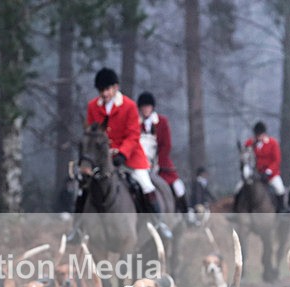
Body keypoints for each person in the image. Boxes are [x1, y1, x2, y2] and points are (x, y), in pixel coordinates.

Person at [67, 68, 166, 242]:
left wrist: (122, 153)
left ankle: (159, 223)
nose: (104, 93)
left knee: (145, 184)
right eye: (101, 90)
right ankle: (77, 229)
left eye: (107, 89)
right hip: (100, 159)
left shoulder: (128, 106)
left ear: (115, 88)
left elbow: (133, 134)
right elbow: (91, 133)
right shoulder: (92, 107)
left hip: (129, 157)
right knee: (83, 189)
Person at [137, 91, 194, 222]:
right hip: (138, 162)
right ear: (140, 108)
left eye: (148, 107)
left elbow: (166, 145)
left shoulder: (161, 122)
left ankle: (187, 214)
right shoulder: (135, 122)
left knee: (178, 186)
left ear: (152, 108)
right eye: (143, 107)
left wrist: (157, 163)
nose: (146, 109)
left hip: (160, 163)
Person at [235, 121, 286, 212]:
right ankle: (235, 211)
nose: (258, 137)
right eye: (256, 135)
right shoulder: (249, 143)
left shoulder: (272, 143)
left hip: (270, 175)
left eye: (260, 135)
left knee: (280, 188)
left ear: (264, 134)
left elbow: (276, 160)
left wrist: (268, 172)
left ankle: (281, 212)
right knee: (238, 188)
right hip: (254, 175)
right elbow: (245, 158)